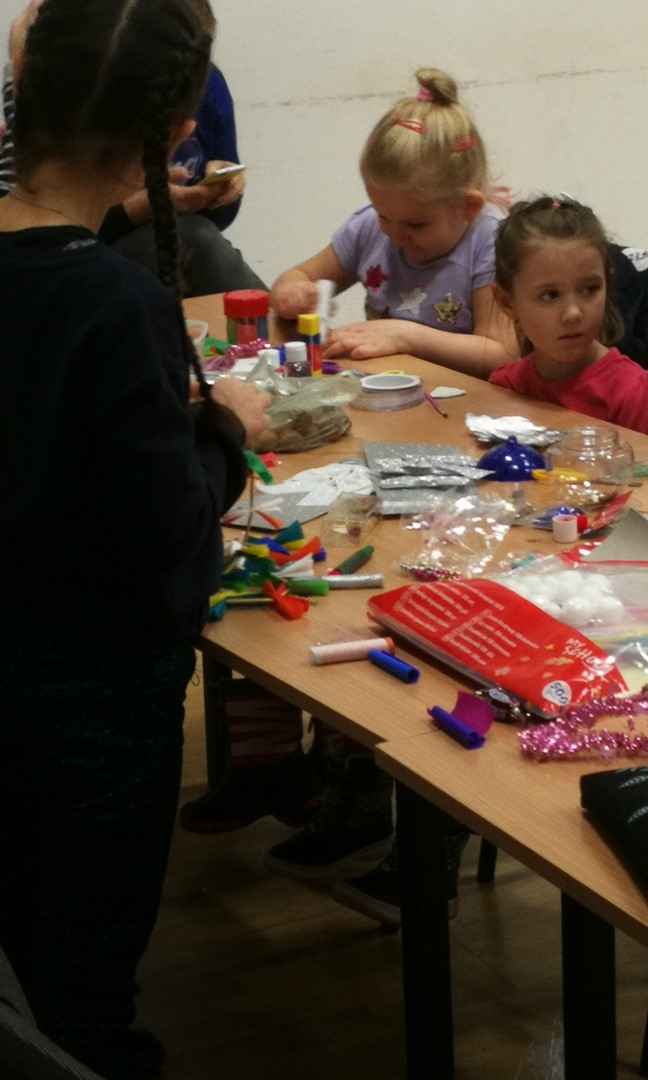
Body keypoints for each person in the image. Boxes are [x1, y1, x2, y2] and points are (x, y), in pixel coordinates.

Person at [0, 2, 270, 1078]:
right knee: (81, 990)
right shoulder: (113, 301)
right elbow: (170, 543)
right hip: (90, 712)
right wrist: (225, 438)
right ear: (176, 134)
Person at [0, 1, 266, 296]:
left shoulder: (205, 87)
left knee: (197, 237)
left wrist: (221, 190)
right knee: (196, 238)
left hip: (106, 257)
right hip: (92, 250)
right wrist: (138, 208)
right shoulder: (78, 63)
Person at [270, 67, 518, 377]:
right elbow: (299, 275)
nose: (395, 235)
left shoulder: (491, 241)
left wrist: (405, 336)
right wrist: (291, 294)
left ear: (468, 207)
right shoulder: (370, 227)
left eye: (416, 225)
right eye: (383, 215)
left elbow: (502, 354)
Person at [488, 196, 648, 442]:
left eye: (590, 289)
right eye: (550, 295)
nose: (573, 313)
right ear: (508, 303)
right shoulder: (507, 386)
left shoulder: (635, 394)